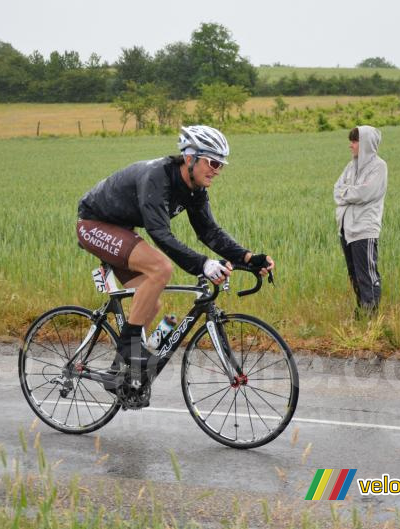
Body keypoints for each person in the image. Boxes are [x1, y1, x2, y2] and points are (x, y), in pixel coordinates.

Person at [76, 125, 275, 385]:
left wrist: (249, 258)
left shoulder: (195, 189)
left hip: (121, 230)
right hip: (93, 225)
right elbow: (160, 233)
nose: (217, 170)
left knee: (151, 302)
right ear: (190, 158)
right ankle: (129, 349)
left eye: (221, 165)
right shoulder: (156, 177)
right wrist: (203, 264)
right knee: (161, 268)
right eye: (213, 162)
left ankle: (119, 375)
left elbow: (209, 232)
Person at [334, 125, 387, 317]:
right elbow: (336, 189)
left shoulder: (379, 166)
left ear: (365, 144)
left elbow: (364, 192)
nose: (351, 145)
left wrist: (346, 192)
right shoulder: (351, 166)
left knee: (367, 274)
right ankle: (361, 311)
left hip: (364, 229)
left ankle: (371, 313)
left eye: (355, 141)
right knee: (354, 273)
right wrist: (349, 192)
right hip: (346, 229)